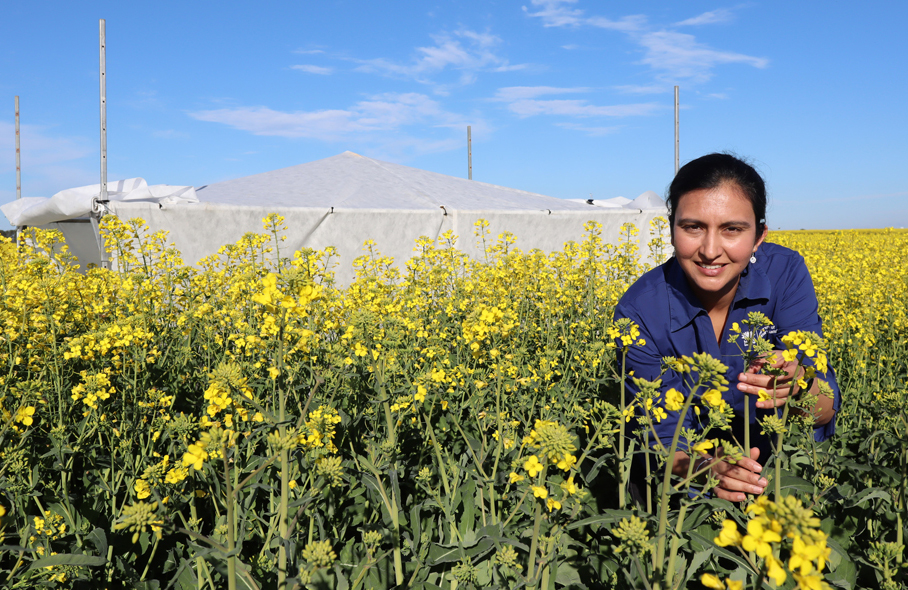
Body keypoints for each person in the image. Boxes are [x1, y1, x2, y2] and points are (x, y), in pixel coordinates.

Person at [614, 153, 839, 503]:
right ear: (672, 230)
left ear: (759, 236)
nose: (710, 250)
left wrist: (798, 386)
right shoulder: (639, 311)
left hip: (769, 474)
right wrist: (706, 470)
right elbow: (662, 435)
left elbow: (825, 407)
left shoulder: (785, 274)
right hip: (675, 491)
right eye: (693, 227)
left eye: (732, 229)